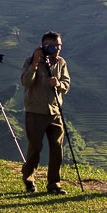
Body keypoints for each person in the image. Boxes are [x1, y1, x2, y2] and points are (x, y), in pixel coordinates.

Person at [20, 31, 71, 194]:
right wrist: (35, 62)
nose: (57, 49)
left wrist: (58, 84)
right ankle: (29, 179)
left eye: (59, 46)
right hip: (35, 111)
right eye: (53, 46)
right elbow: (26, 82)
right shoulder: (31, 61)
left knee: (57, 148)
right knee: (35, 148)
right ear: (43, 46)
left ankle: (54, 184)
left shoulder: (61, 62)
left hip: (55, 111)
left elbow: (66, 85)